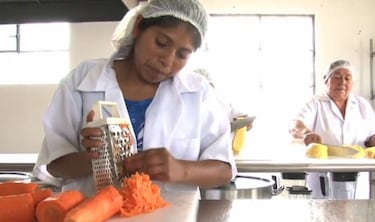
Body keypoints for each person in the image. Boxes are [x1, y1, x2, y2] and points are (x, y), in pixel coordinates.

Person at [33, 0, 237, 197]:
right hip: (94, 214)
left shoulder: (198, 93)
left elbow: (223, 170)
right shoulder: (83, 80)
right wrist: (95, 160)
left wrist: (181, 169)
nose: (166, 61)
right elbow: (55, 164)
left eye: (182, 55)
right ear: (139, 26)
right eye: (161, 43)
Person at [289, 59, 375, 199]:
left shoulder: (362, 105)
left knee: (355, 218)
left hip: (357, 178)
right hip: (322, 178)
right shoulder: (316, 103)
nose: (342, 82)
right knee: (322, 217)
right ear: (326, 80)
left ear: (352, 83)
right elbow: (295, 125)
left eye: (347, 78)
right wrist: (306, 133)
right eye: (337, 77)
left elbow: (373, 137)